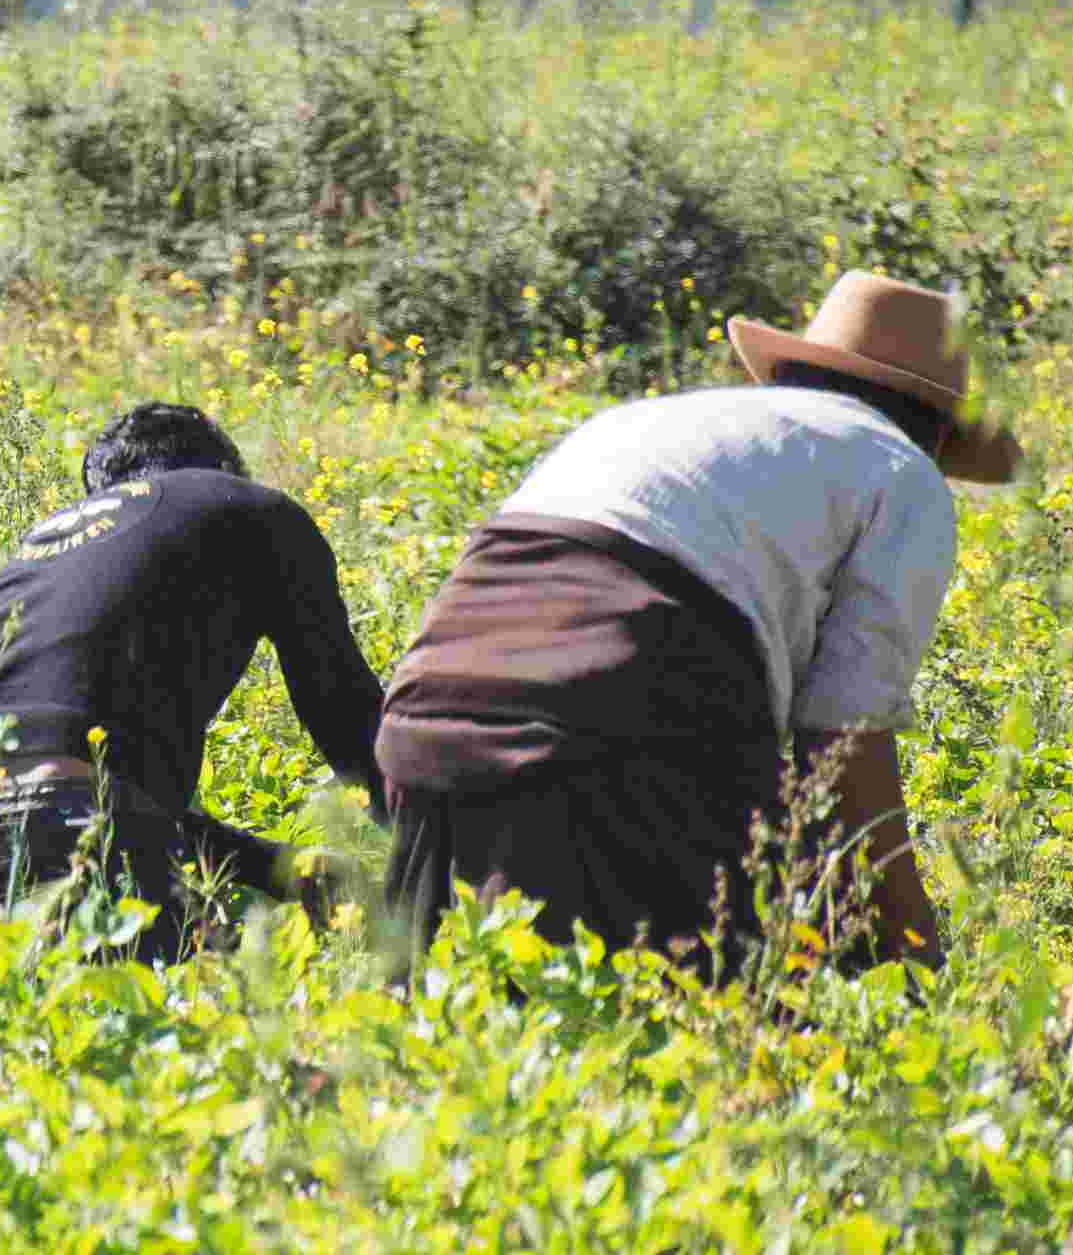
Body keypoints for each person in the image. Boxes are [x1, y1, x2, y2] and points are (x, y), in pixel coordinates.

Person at [375, 270, 1020, 976]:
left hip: (427, 712)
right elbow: (842, 745)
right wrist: (914, 956)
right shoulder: (901, 471)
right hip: (616, 716)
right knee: (715, 1016)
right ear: (937, 428)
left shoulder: (646, 420)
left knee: (455, 1037)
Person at [0, 401, 388, 959]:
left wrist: (279, 868)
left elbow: (55, 786)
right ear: (221, 468)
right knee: (209, 1026)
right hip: (82, 821)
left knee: (1, 1041)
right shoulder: (250, 509)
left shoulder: (39, 555)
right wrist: (436, 868)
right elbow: (345, 713)